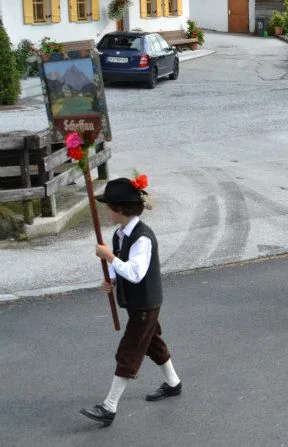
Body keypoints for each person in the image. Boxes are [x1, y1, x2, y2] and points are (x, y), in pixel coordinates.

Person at [81, 177, 182, 427]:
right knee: (152, 343)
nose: (107, 211)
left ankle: (109, 406)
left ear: (122, 209)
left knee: (128, 351)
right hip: (137, 302)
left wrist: (109, 258)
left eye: (110, 207)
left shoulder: (143, 238)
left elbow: (136, 272)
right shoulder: (119, 235)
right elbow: (121, 265)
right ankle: (173, 383)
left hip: (146, 303)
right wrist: (111, 279)